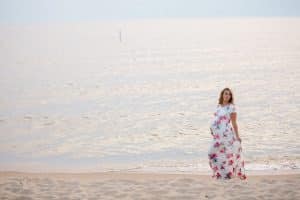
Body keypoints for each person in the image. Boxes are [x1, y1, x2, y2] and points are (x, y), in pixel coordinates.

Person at [208, 87, 247, 180]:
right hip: (217, 136)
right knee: (212, 153)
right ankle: (221, 173)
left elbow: (234, 123)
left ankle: (228, 174)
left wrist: (237, 137)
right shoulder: (219, 106)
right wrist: (212, 130)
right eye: (225, 93)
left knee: (227, 154)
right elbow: (216, 119)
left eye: (229, 94)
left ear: (230, 96)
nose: (227, 95)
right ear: (222, 95)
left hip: (226, 135)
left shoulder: (232, 107)